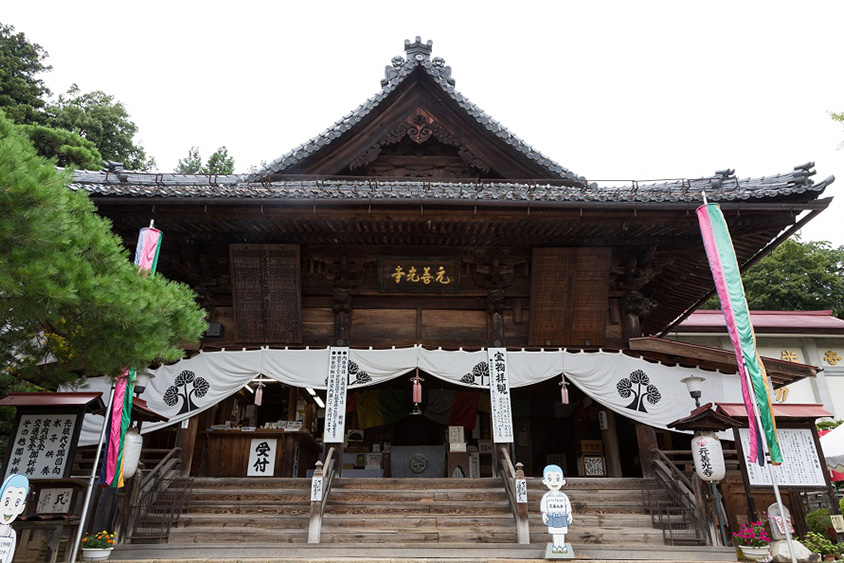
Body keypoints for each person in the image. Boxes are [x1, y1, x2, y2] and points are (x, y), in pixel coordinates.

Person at [540, 464, 572, 554]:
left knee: (561, 533)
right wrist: (544, 513)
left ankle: (562, 545)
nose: (554, 482)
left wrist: (569, 513)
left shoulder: (563, 496)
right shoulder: (547, 496)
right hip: (552, 516)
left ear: (562, 481)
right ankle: (556, 545)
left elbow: (567, 505)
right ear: (545, 481)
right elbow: (544, 506)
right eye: (550, 479)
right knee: (555, 533)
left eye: (557, 479)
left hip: (562, 516)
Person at [0, 474, 29, 563]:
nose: (10, 508)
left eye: (17, 503)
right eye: (7, 501)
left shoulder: (11, 533)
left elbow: (9, 557)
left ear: (22, 508)